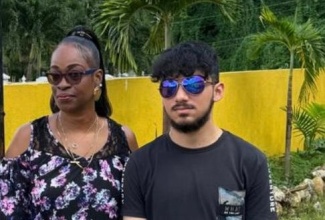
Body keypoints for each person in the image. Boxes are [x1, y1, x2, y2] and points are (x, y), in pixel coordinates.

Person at [122, 41, 277, 220]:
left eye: (193, 84)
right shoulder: (139, 164)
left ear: (217, 91)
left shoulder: (250, 162)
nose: (180, 96)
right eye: (169, 87)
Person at [0, 25, 138, 219]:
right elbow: (8, 210)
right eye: (55, 76)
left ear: (97, 78)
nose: (62, 84)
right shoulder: (28, 139)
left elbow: (135, 211)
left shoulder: (123, 140)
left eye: (74, 75)